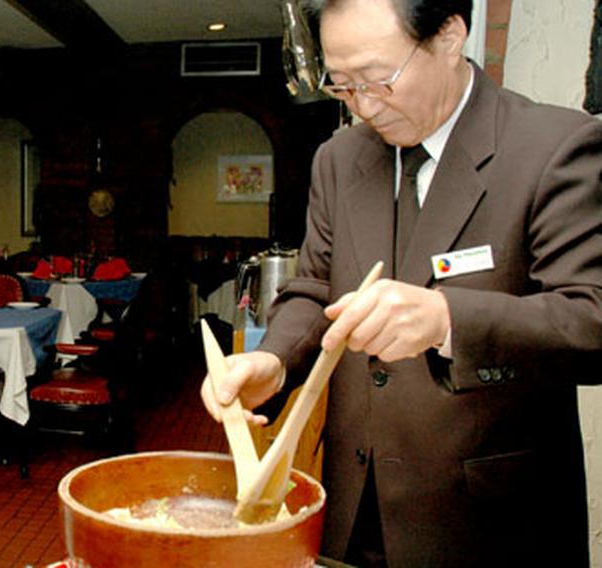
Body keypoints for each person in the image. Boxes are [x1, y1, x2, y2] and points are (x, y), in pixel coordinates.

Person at [201, 1, 602, 566]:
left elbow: (592, 320)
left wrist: (447, 321)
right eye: (341, 84)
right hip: (353, 508)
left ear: (449, 36)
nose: (363, 105)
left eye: (377, 79)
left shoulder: (553, 146)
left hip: (488, 522)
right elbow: (317, 284)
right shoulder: (339, 160)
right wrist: (273, 360)